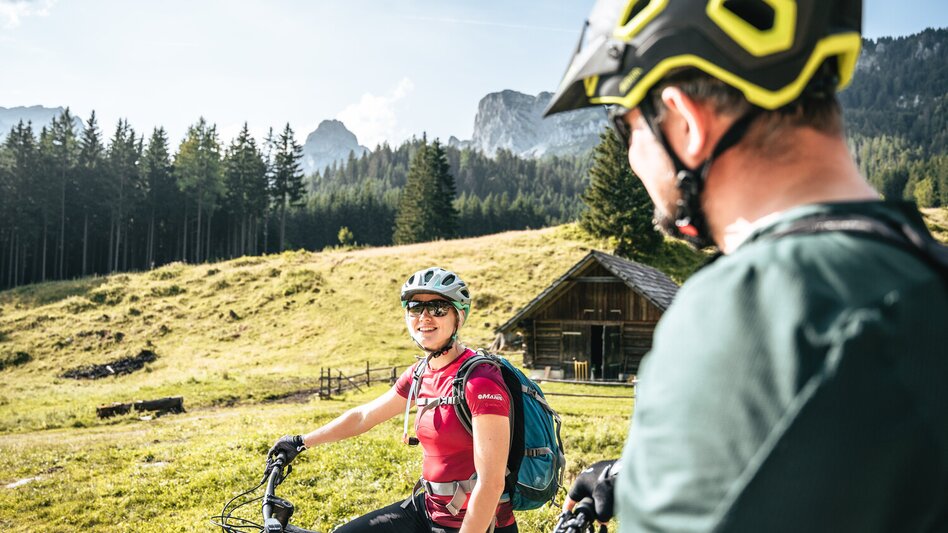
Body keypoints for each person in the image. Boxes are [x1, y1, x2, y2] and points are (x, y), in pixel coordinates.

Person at [545, 0, 948, 531]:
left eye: (626, 128)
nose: (630, 156)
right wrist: (639, 475)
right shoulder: (923, 276)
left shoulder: (748, 313)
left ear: (685, 120)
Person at [268, 267, 517, 533]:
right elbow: (365, 416)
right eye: (415, 307)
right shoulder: (421, 373)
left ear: (459, 316)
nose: (425, 317)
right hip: (428, 508)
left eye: (438, 308)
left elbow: (491, 483)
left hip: (475, 523)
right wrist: (301, 442)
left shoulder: (480, 380)